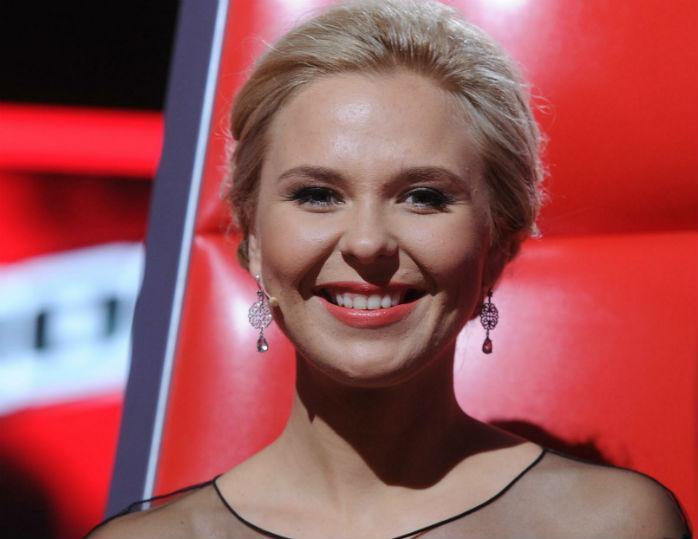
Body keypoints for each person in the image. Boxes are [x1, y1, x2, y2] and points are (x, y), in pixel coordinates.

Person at [87, 0, 692, 537]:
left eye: (423, 197)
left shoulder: (611, 526)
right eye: (317, 195)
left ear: (498, 246)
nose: (368, 242)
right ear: (252, 242)